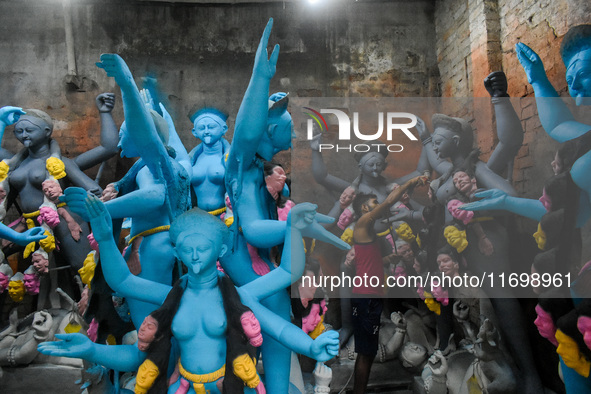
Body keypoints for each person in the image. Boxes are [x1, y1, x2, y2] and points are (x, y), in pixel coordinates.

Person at [39, 189, 341, 394]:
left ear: (221, 249)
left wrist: (312, 348)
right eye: (187, 249)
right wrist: (105, 237)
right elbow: (124, 284)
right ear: (177, 253)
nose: (195, 255)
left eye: (203, 248)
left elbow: (281, 319)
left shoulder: (236, 297)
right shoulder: (172, 299)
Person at [223, 19, 349, 393]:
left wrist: (298, 223)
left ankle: (278, 387)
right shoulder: (241, 167)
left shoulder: (256, 175)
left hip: (259, 262)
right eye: (286, 127)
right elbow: (253, 229)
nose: (292, 134)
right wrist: (260, 80)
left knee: (278, 320)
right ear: (268, 127)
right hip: (238, 259)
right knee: (271, 316)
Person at [94, 53, 191, 329]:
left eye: (125, 133)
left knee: (147, 318)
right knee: (161, 312)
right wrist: (116, 187)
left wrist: (103, 209)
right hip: (163, 244)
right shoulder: (172, 165)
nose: (121, 139)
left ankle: (154, 367)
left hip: (151, 244)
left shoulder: (153, 169)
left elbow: (154, 196)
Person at [349, 175, 425, 394]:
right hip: (365, 297)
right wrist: (410, 183)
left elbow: (365, 261)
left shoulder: (367, 232)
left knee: (368, 351)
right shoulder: (363, 223)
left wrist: (385, 261)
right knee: (366, 352)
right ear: (364, 208)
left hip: (369, 296)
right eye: (373, 203)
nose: (378, 206)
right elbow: (388, 202)